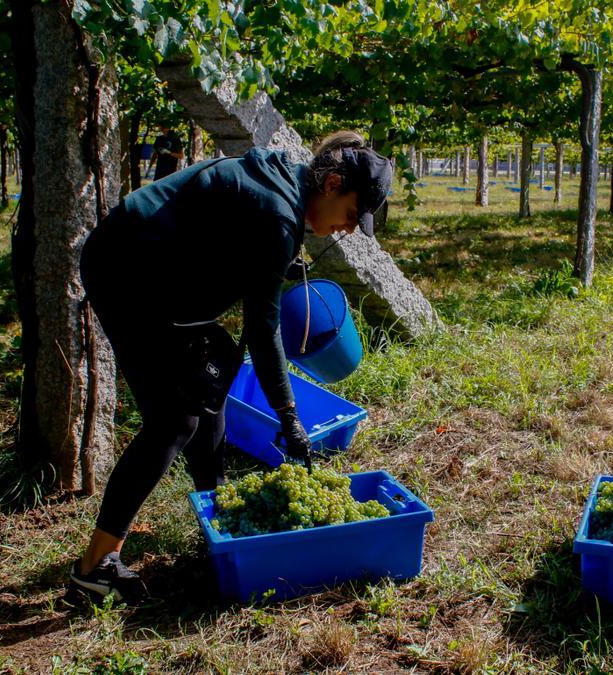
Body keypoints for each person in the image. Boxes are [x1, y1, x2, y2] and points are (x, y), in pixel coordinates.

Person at [71, 131, 391, 602]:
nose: (346, 228)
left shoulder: (285, 184)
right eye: (350, 214)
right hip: (126, 269)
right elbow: (264, 335)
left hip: (158, 270)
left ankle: (218, 516)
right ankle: (94, 568)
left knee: (211, 380)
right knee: (173, 421)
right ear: (332, 184)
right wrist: (289, 419)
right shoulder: (279, 217)